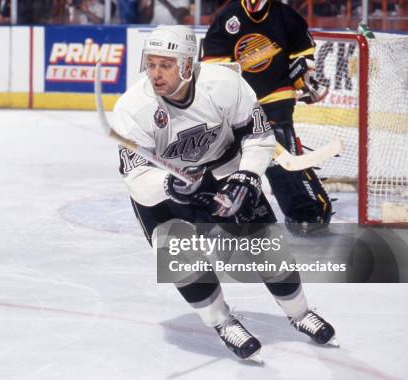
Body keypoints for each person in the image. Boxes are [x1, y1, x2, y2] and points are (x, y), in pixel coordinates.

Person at [113, 24, 337, 362]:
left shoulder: (224, 84)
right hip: (166, 190)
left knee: (267, 247)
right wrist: (169, 185)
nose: (155, 74)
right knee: (179, 257)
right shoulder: (132, 109)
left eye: (166, 64)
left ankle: (300, 313)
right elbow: (137, 178)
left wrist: (247, 177)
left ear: (188, 64)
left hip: (225, 170)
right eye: (151, 63)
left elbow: (259, 137)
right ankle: (222, 321)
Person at [202, 0, 332, 236]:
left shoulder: (285, 16)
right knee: (231, 159)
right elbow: (213, 67)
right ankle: (235, 210)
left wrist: (304, 78)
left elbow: (302, 52)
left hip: (276, 94)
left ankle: (309, 211)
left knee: (278, 153)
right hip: (241, 104)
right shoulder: (226, 18)